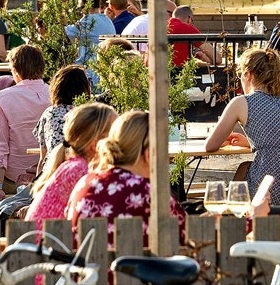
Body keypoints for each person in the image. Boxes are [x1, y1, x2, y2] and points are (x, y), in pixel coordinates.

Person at [203, 48, 280, 208]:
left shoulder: (242, 102)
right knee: (246, 167)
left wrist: (223, 140)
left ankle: (236, 217)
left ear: (248, 74)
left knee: (244, 170)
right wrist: (249, 142)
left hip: (270, 190)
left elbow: (210, 146)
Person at [70, 110, 184, 246]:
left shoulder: (84, 182)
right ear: (150, 154)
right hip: (134, 260)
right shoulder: (149, 193)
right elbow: (188, 239)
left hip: (84, 260)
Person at [26, 103, 116, 222]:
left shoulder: (73, 165)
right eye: (115, 135)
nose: (120, 141)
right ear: (95, 144)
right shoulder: (80, 170)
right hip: (50, 233)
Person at [0, 45, 50, 202]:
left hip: (13, 180)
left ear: (15, 70)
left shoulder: (2, 98)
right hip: (48, 177)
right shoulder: (54, 93)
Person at [34, 65, 91, 156]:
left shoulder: (49, 113)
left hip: (53, 163)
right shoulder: (88, 114)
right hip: (80, 163)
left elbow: (43, 154)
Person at [65, 0, 115, 68]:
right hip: (103, 67)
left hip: (89, 68)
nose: (81, 12)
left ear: (88, 6)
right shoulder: (107, 20)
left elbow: (63, 32)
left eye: (81, 7)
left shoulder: (89, 20)